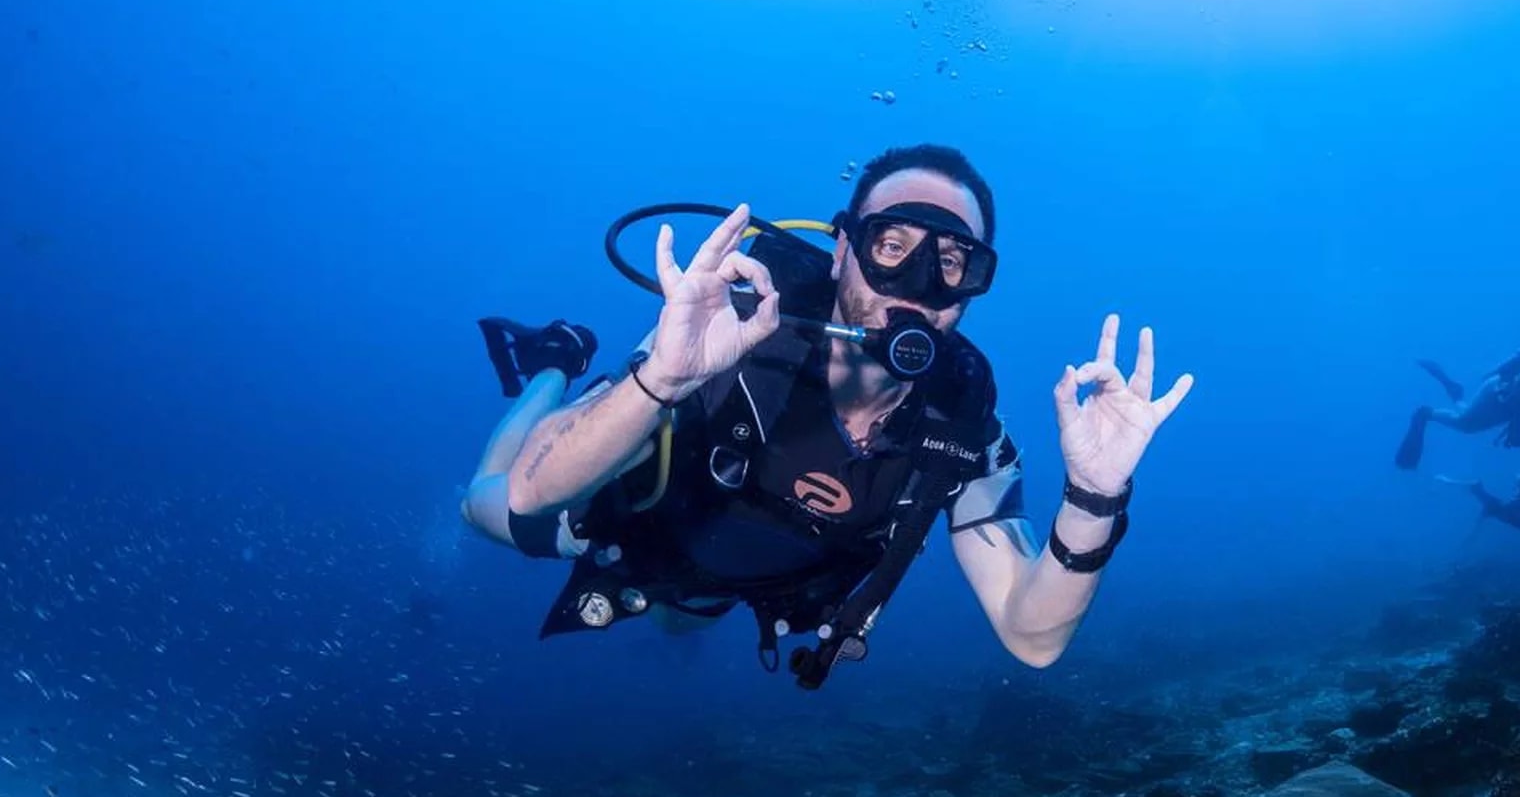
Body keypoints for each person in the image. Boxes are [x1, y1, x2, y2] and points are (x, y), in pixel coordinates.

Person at [460, 144, 1193, 689]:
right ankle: (556, 359)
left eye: (949, 263)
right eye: (891, 246)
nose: (914, 284)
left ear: (973, 285)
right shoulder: (731, 335)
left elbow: (1032, 637)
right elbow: (531, 490)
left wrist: (1096, 499)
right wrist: (664, 377)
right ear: (843, 249)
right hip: (634, 529)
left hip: (753, 583)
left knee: (684, 614)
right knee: (485, 506)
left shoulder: (964, 438)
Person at [1395, 337, 1520, 470]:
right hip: (1498, 393)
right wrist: (1516, 422)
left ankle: (1455, 392)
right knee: (1465, 423)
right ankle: (1426, 413)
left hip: (1511, 407)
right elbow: (1519, 382)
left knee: (1467, 423)